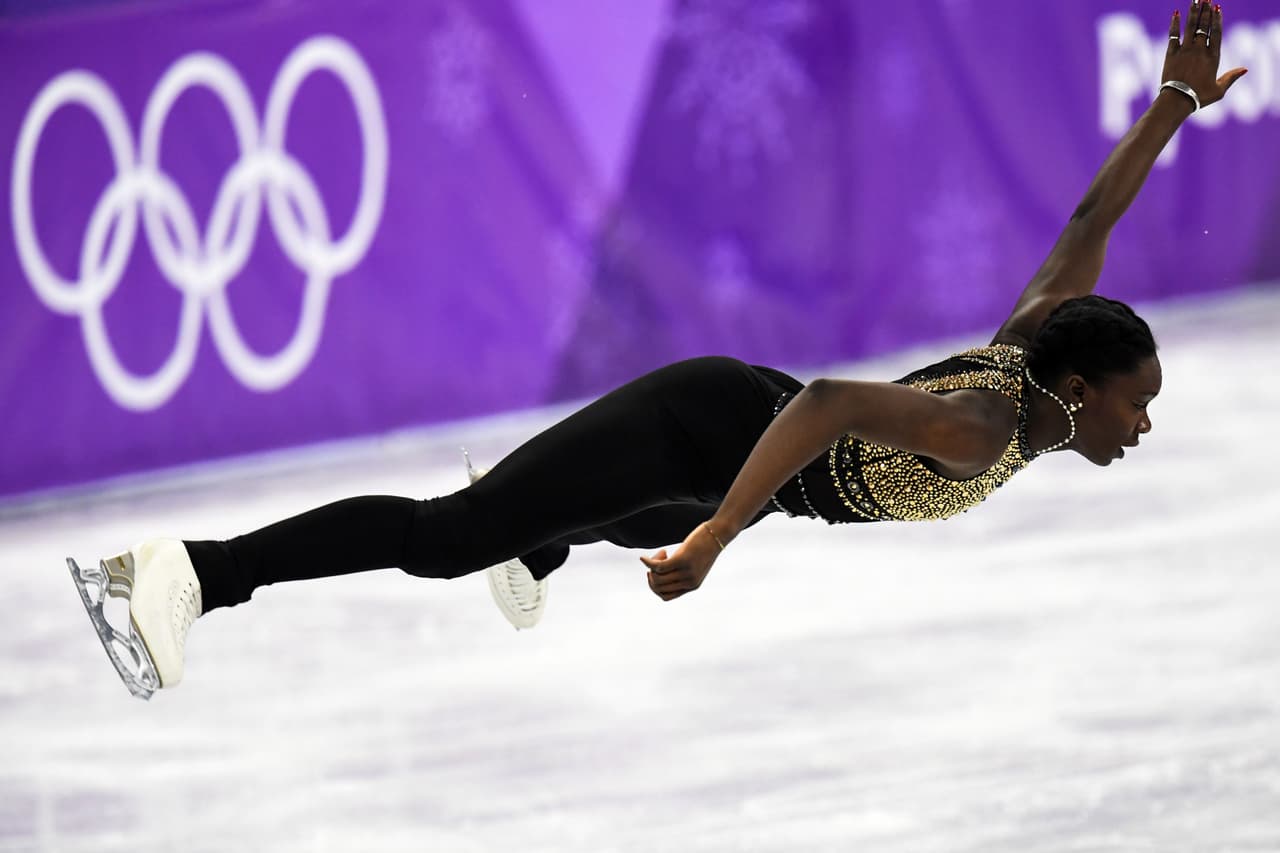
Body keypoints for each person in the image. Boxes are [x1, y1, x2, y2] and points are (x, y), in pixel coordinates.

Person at [68, 2, 1246, 700]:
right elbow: (830, 402)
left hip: (738, 459)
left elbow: (1088, 225)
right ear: (1079, 391)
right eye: (1134, 404)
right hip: (711, 430)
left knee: (591, 520)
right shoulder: (987, 420)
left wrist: (1172, 107)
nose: (1142, 424)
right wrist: (719, 536)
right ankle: (184, 574)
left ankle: (534, 532)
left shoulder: (1035, 351)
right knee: (441, 542)